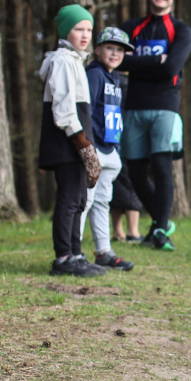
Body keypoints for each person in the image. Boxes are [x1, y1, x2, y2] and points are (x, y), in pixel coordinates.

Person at [119, 0, 191, 252]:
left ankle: (160, 229)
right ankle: (160, 223)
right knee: (136, 171)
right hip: (134, 105)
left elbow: (172, 68)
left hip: (166, 105)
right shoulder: (132, 27)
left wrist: (138, 62)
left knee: (161, 167)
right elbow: (119, 59)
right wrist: (154, 60)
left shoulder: (181, 31)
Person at [38, 5, 105, 278]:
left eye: (89, 29)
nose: (85, 34)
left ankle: (76, 253)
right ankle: (63, 257)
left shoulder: (75, 60)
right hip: (66, 144)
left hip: (74, 145)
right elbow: (64, 111)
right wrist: (85, 147)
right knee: (68, 200)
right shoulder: (64, 61)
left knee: (79, 200)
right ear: (66, 31)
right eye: (79, 29)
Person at [79, 27, 135, 271]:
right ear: (98, 49)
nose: (115, 53)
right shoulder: (95, 74)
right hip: (96, 148)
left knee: (103, 201)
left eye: (120, 50)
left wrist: (116, 148)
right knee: (86, 200)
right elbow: (87, 110)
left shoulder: (115, 78)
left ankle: (103, 251)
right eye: (110, 48)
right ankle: (73, 251)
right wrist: (89, 147)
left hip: (111, 149)